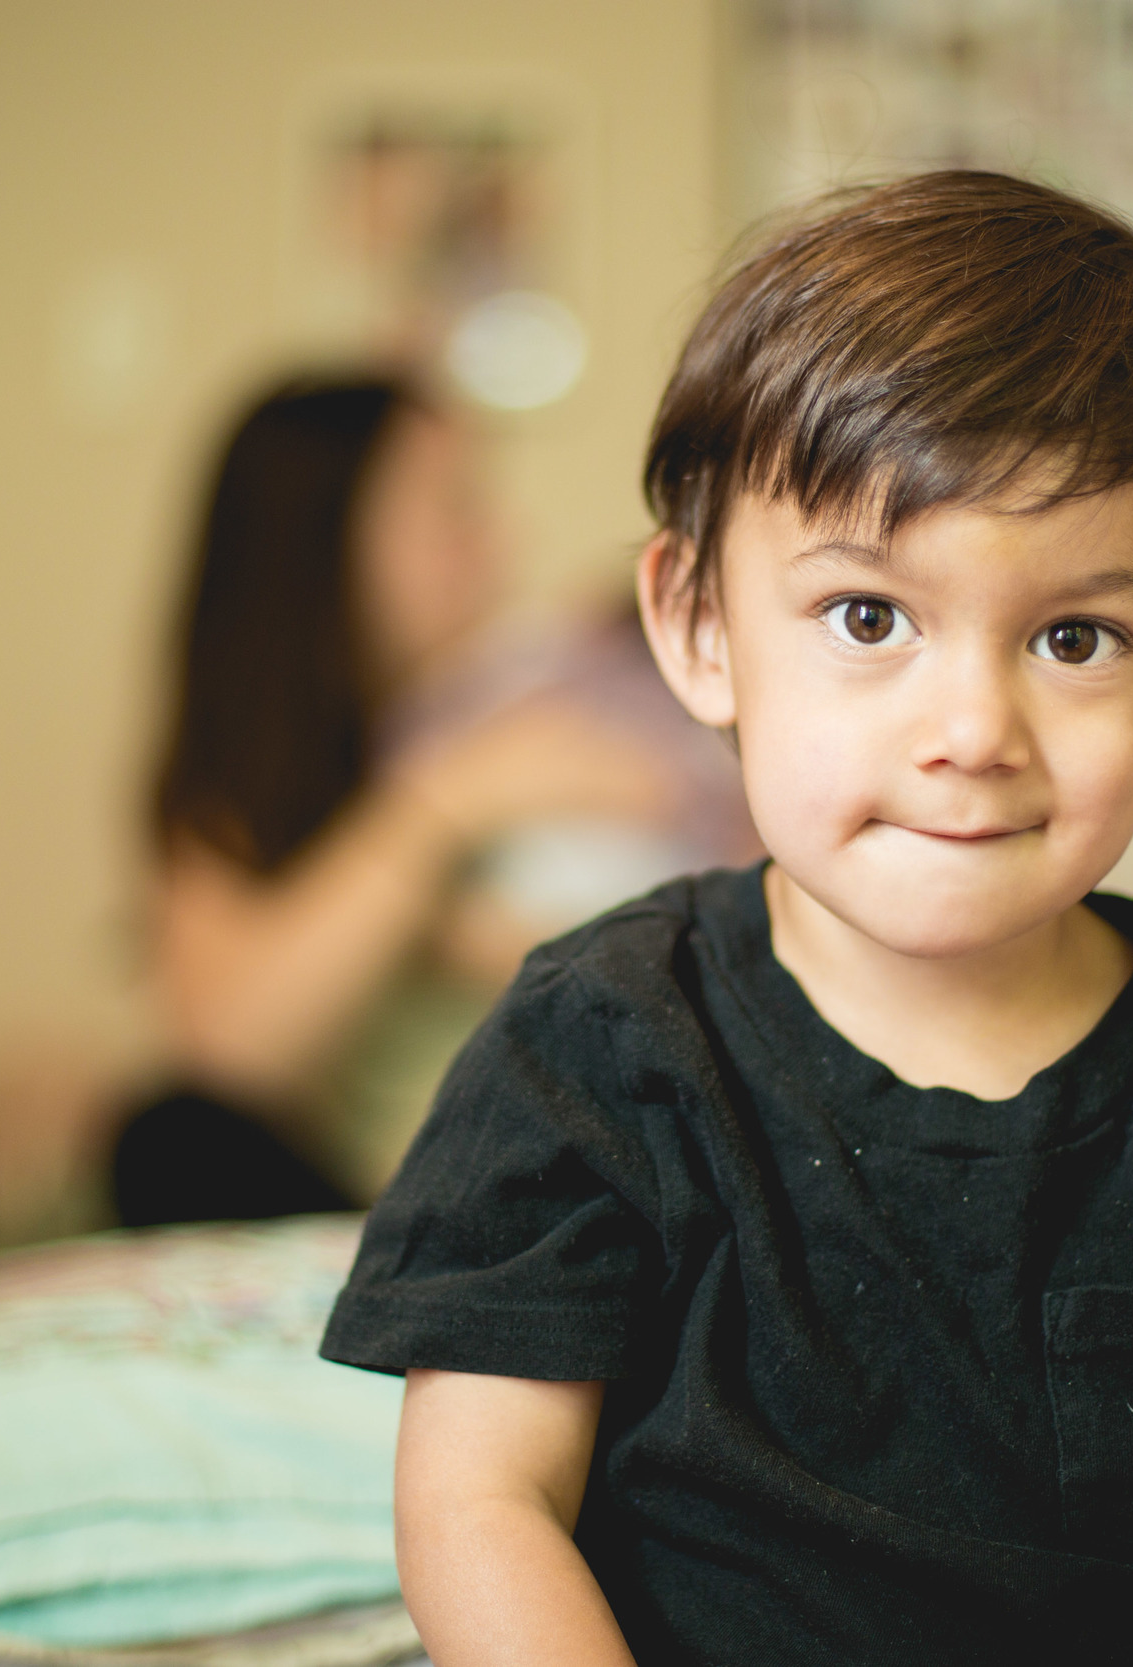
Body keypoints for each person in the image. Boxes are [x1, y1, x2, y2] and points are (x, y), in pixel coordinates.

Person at [318, 173, 1133, 1667]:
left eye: (1074, 637)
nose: (972, 727)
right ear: (701, 627)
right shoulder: (595, 1041)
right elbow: (479, 1494)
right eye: (869, 616)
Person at [115, 376, 738, 1230]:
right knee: (172, 1142)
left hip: (582, 1172)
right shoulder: (272, 778)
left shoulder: (557, 701)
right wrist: (450, 799)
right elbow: (227, 1056)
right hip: (375, 1186)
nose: (501, 538)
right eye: (456, 507)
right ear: (327, 543)